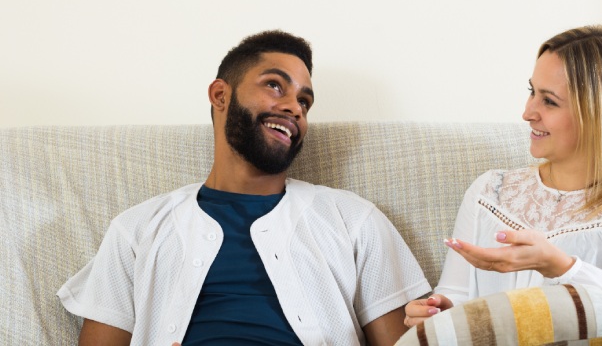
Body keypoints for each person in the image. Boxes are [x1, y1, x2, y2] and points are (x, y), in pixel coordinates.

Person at [58, 30, 431, 346]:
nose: (296, 108)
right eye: (274, 85)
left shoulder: (353, 219)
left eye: (304, 100)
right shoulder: (137, 229)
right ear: (220, 95)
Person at [404, 25, 602, 343]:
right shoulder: (490, 192)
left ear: (599, 114)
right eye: (532, 92)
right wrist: (440, 313)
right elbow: (456, 296)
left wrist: (562, 267)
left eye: (549, 101)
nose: (528, 113)